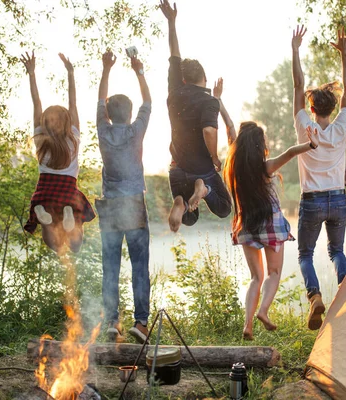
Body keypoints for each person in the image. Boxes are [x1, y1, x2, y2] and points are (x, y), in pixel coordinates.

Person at [224, 122, 320, 340]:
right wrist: (311, 145)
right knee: (273, 273)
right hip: (271, 224)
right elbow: (290, 153)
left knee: (255, 277)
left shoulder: (234, 170)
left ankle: (247, 324)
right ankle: (263, 311)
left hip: (246, 224)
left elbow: (230, 130)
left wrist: (219, 103)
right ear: (259, 145)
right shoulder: (265, 167)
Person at [292, 25, 346, 330]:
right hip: (338, 198)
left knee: (306, 253)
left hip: (313, 200)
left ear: (311, 107)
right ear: (333, 106)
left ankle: (315, 296)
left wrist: (295, 49)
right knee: (337, 251)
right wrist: (344, 54)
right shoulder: (342, 126)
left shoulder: (304, 125)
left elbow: (297, 86)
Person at [160, 0, 233, 232]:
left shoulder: (174, 91)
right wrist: (214, 157)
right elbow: (209, 130)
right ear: (204, 76)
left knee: (189, 218)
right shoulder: (209, 101)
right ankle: (205, 190)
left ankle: (180, 201)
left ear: (182, 79)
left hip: (177, 167)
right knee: (224, 208)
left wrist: (171, 22)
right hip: (201, 169)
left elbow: (174, 54)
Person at [95, 50, 152, 344]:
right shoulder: (136, 131)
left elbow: (99, 102)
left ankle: (113, 322)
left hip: (111, 207)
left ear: (108, 113)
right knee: (139, 265)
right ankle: (141, 324)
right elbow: (148, 102)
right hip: (133, 205)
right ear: (129, 115)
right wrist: (138, 70)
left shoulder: (102, 131)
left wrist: (106, 68)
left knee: (110, 267)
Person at [21, 51, 95, 255]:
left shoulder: (40, 138)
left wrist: (32, 73)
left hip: (45, 188)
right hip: (67, 188)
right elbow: (73, 104)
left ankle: (46, 221)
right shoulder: (73, 136)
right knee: (75, 244)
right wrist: (70, 73)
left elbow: (36, 103)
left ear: (45, 122)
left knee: (53, 244)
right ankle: (68, 213)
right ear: (67, 122)